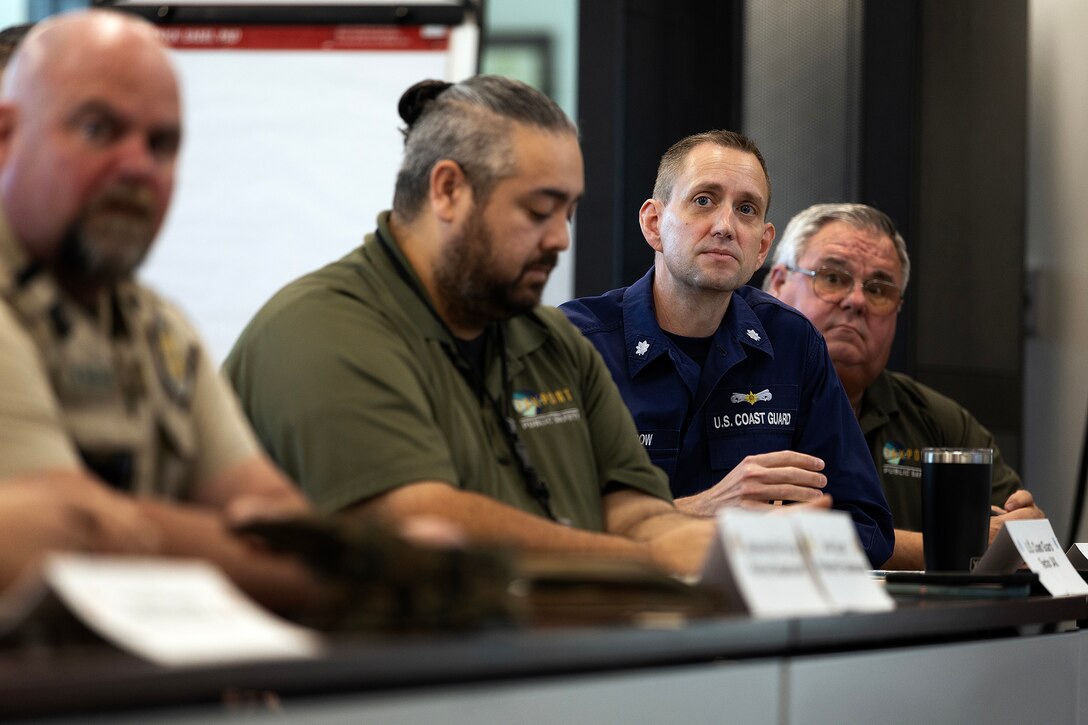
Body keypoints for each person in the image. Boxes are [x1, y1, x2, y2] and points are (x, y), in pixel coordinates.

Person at [225, 77, 759, 577]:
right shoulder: (323, 333)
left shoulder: (553, 344)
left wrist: (751, 552)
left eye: (567, 212)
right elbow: (420, 523)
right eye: (538, 211)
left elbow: (636, 513)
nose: (560, 239)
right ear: (449, 191)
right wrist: (646, 559)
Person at [0, 10, 319, 608]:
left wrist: (331, 558)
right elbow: (67, 536)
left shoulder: (158, 328)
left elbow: (277, 515)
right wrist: (338, 570)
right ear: (5, 138)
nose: (137, 166)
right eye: (98, 130)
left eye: (161, 144)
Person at [559, 131, 893, 567]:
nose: (724, 226)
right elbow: (539, 524)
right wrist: (701, 513)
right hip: (620, 616)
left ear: (762, 247)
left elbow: (867, 528)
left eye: (746, 209)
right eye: (703, 200)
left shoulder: (793, 343)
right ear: (653, 223)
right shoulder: (576, 344)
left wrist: (777, 537)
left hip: (756, 619)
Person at [764, 202, 1043, 569]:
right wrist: (959, 547)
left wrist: (1027, 528)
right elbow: (772, 541)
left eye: (879, 289)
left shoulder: (939, 421)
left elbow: (1018, 539)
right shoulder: (737, 401)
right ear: (778, 283)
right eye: (833, 278)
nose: (857, 301)